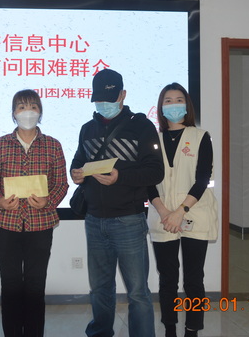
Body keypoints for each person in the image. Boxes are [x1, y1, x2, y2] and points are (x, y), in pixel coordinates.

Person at [70, 69, 164, 337]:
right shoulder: (87, 129)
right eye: (99, 100)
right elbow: (78, 161)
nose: (104, 105)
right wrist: (75, 173)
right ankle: (100, 332)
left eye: (109, 99)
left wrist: (120, 176)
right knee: (100, 288)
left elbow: (155, 172)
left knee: (137, 292)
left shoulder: (142, 126)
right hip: (94, 220)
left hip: (129, 221)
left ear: (123, 94)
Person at [0, 89, 68, 337]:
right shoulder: (1, 144)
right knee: (10, 285)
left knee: (35, 285)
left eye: (33, 106)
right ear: (14, 113)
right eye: (21, 107)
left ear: (40, 112)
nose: (27, 112)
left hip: (40, 225)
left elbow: (61, 183)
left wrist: (48, 201)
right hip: (6, 224)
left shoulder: (53, 145)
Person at [147, 83, 218, 337]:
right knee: (167, 278)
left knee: (193, 279)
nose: (174, 104)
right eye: (168, 100)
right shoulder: (152, 140)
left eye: (179, 100)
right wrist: (165, 212)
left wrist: (180, 211)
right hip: (163, 215)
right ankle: (170, 329)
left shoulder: (201, 136)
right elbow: (148, 181)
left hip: (194, 213)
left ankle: (192, 329)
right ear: (161, 107)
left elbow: (202, 179)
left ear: (187, 106)